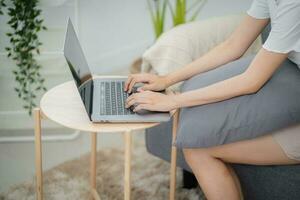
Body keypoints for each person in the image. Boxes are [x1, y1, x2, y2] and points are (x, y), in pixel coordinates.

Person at [124, 0, 300, 199]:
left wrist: (174, 100)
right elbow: (233, 45)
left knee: (198, 149)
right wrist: (167, 79)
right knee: (196, 132)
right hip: (290, 81)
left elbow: (251, 81)